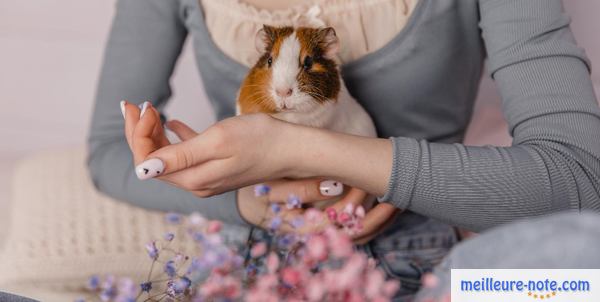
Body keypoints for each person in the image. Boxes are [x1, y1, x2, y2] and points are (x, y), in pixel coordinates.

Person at [88, 0, 600, 299]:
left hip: (427, 254)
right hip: (263, 257)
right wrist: (250, 200)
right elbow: (110, 152)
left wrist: (303, 149)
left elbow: (582, 182)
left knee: (581, 263)